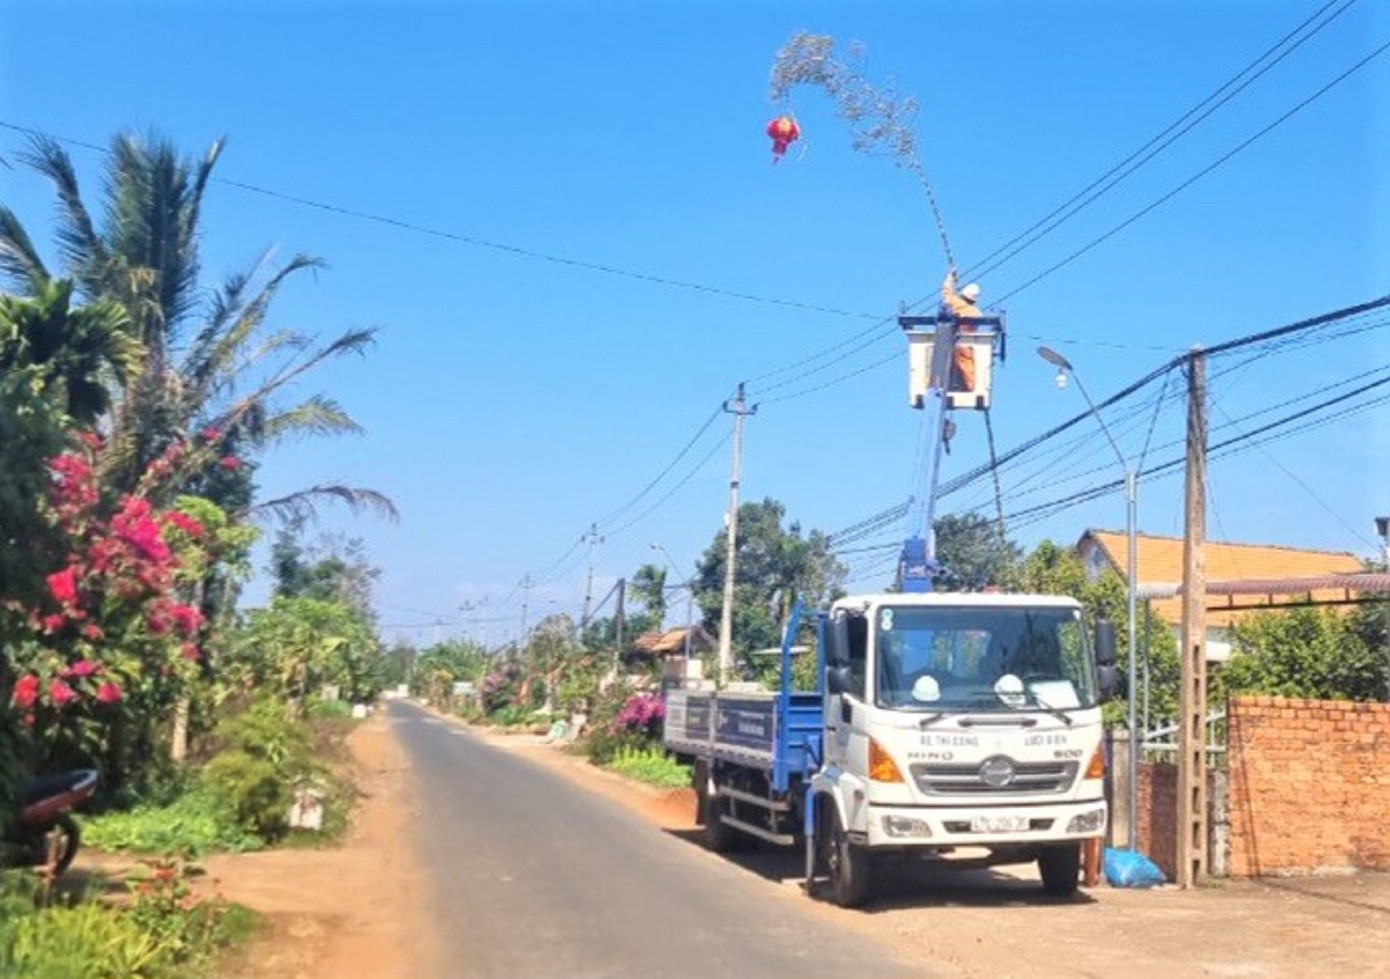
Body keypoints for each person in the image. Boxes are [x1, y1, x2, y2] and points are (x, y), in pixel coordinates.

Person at [941, 267, 982, 393]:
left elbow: (946, 293)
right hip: (966, 344)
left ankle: (941, 385)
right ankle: (971, 389)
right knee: (967, 369)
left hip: (951, 342)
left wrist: (951, 276)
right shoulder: (976, 312)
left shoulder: (956, 303)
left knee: (943, 365)